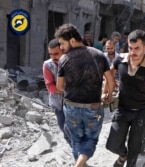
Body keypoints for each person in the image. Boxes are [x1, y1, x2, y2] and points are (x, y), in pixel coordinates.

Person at [105, 29, 145, 167]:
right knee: (112, 145)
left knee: (135, 150)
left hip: (142, 111)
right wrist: (107, 92)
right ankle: (123, 155)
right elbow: (109, 75)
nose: (132, 52)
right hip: (122, 109)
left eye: (137, 48)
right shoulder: (120, 60)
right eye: (130, 47)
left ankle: (131, 157)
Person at [54, 23, 115, 167]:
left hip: (71, 107)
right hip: (93, 107)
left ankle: (79, 162)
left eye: (63, 43)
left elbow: (59, 87)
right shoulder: (99, 55)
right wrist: (109, 95)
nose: (61, 48)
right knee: (90, 140)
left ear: (73, 40)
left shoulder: (64, 59)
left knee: (76, 140)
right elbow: (110, 80)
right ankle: (81, 163)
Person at [42, 39, 71, 145]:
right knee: (62, 125)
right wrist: (67, 91)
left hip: (74, 102)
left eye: (56, 54)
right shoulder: (48, 65)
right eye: (51, 54)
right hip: (58, 102)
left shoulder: (71, 61)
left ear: (63, 50)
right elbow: (50, 86)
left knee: (72, 127)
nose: (54, 57)